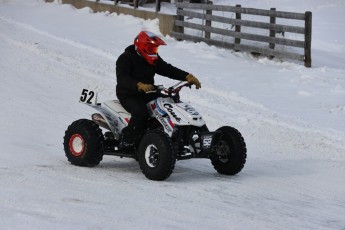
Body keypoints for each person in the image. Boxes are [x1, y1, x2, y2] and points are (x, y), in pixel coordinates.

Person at [115, 31, 201, 149]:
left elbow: (167, 69)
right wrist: (139, 85)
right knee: (141, 112)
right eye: (151, 48)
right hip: (129, 94)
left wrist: (187, 76)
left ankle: (177, 134)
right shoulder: (125, 58)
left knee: (168, 102)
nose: (153, 52)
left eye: (155, 49)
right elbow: (122, 79)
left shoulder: (152, 58)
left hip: (148, 92)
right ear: (141, 47)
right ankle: (127, 141)